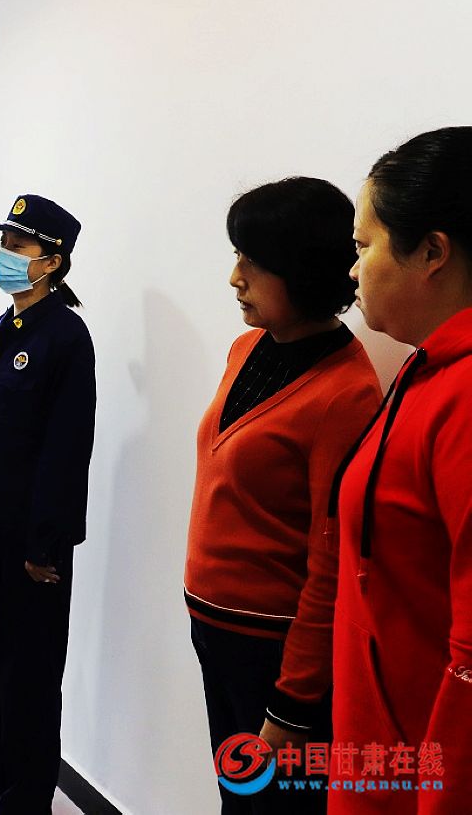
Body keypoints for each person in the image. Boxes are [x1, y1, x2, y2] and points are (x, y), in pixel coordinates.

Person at [184, 177, 382, 814]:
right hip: (215, 629)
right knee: (236, 795)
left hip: (275, 649)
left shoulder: (347, 394)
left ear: (302, 270)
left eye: (252, 262)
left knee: (277, 805)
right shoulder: (245, 349)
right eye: (236, 256)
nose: (234, 278)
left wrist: (294, 701)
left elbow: (332, 561)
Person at [330, 127, 472, 814]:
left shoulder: (465, 397)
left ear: (432, 252)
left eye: (365, 246)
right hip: (380, 754)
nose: (353, 271)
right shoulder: (425, 367)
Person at [0, 194, 96, 815]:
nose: (4, 256)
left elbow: (67, 448)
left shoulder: (66, 336)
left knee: (28, 675)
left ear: (52, 261)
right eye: (3, 244)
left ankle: (27, 798)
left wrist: (46, 544)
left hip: (32, 546)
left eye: (17, 246)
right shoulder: (3, 330)